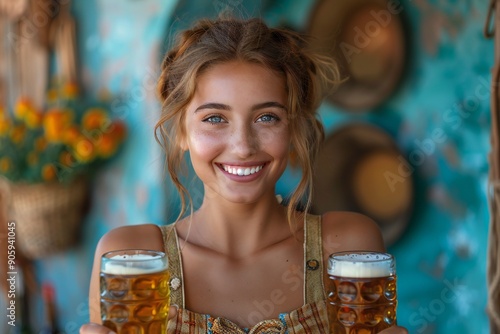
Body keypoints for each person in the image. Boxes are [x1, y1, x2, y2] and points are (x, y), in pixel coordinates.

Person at [80, 17, 409, 334]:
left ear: (293, 128)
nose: (242, 146)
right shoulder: (129, 259)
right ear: (180, 131)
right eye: (214, 118)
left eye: (267, 117)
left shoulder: (345, 248)